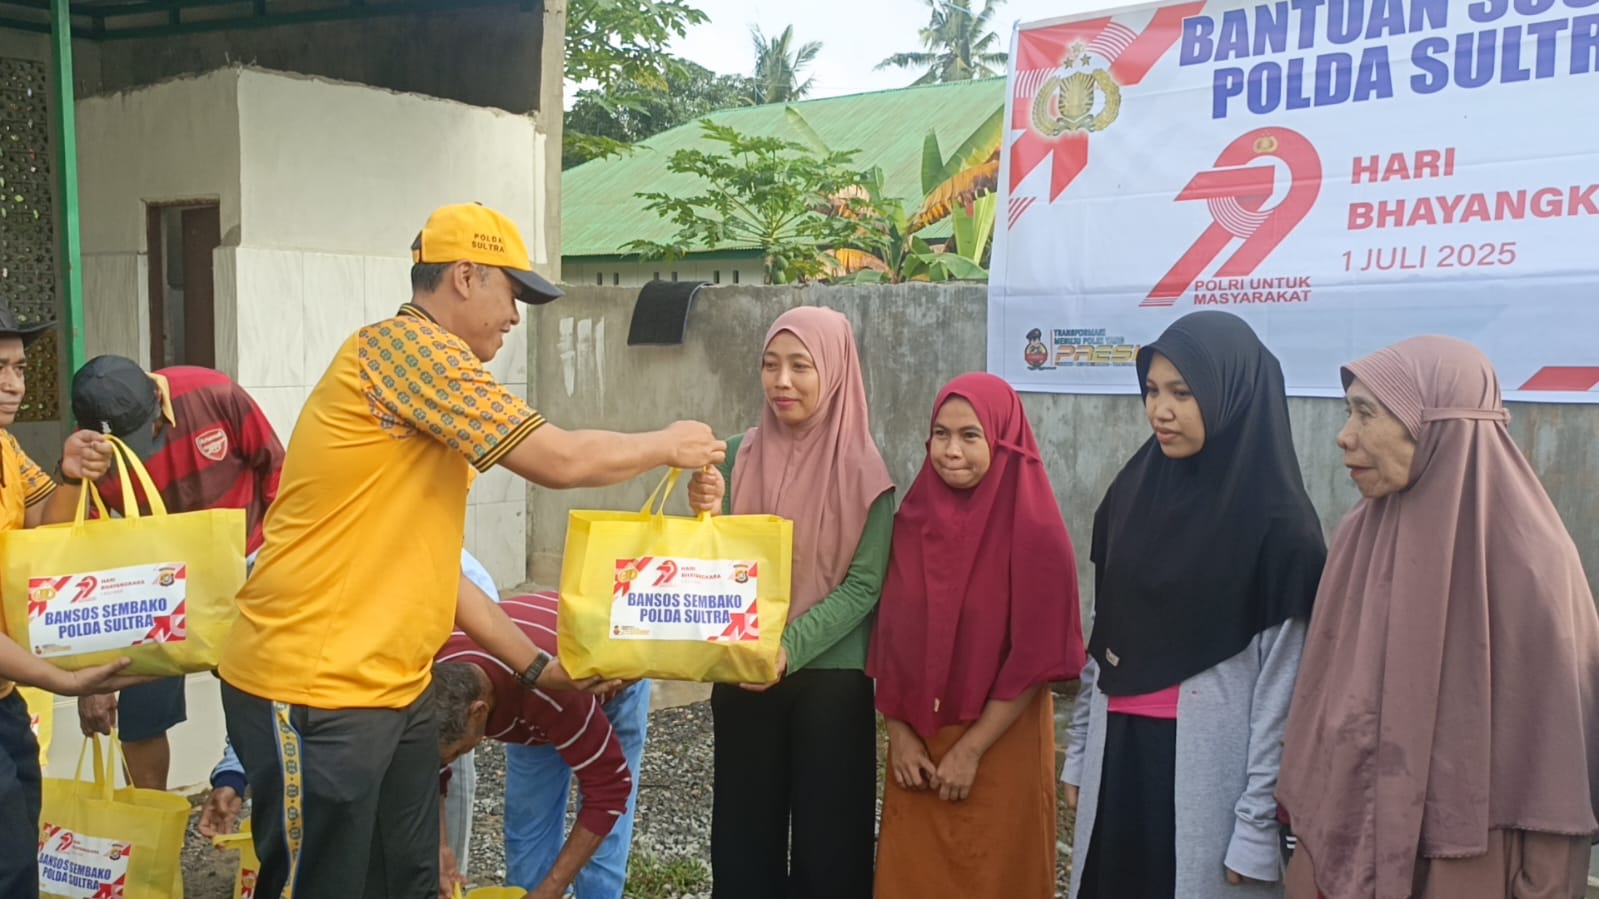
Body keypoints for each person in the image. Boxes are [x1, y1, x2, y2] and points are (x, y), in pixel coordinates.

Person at [217, 202, 725, 899]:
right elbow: (558, 459)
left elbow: (440, 573)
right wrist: (665, 443)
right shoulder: (406, 351)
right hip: (309, 684)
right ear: (464, 275)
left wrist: (537, 668)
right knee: (323, 884)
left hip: (394, 688)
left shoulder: (432, 398)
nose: (514, 317)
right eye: (511, 294)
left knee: (410, 881)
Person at [1278, 336, 1599, 899]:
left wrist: (1546, 881)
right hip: (1348, 846)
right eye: (1348, 411)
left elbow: (1555, 752)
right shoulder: (1359, 537)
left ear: (1437, 427)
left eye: (1366, 413)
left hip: (1471, 864)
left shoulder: (1533, 562)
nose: (1344, 435)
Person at [1063, 310, 1326, 899]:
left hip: (1203, 776)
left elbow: (1283, 696)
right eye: (1152, 390)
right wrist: (1080, 752)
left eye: (1182, 393)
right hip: (1119, 752)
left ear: (1231, 394)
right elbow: (1103, 637)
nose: (1160, 410)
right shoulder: (1131, 495)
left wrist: (1257, 825)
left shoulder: (1282, 530)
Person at [688, 305, 895, 899]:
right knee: (742, 840)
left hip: (830, 680)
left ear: (834, 370)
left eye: (801, 366)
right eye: (770, 364)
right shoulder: (734, 456)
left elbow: (864, 586)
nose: (782, 381)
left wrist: (786, 650)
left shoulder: (866, 474)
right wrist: (705, 508)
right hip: (743, 672)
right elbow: (712, 563)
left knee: (830, 849)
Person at [869, 372, 1086, 899]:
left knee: (996, 876)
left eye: (970, 436)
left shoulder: (1037, 533)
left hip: (1000, 745)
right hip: (919, 748)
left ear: (1003, 440)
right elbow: (888, 636)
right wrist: (899, 733)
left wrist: (971, 750)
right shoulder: (912, 522)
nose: (951, 451)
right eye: (940, 434)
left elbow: (1038, 656)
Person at [70, 355, 284, 790]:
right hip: (158, 581)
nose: (137, 452)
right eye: (121, 446)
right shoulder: (91, 452)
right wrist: (92, 676)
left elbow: (278, 471)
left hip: (244, 565)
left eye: (142, 434)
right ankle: (152, 817)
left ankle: (249, 798)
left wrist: (279, 561)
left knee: (257, 699)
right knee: (141, 712)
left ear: (157, 398)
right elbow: (84, 556)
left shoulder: (213, 393)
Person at [0, 301, 150, 897]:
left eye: (18, 367)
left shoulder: (7, 450)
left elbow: (46, 532)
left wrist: (69, 475)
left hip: (6, 695)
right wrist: (63, 680)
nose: (13, 384)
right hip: (18, 676)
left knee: (19, 853)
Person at [434, 588, 639, 899]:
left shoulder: (553, 698)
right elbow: (432, 766)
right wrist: (440, 847)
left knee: (601, 849)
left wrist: (552, 887)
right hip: (532, 689)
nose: (456, 758)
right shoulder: (429, 676)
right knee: (527, 837)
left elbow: (610, 791)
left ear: (479, 711)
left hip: (606, 667)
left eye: (459, 752)